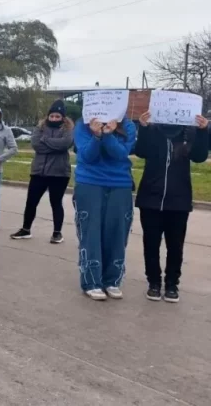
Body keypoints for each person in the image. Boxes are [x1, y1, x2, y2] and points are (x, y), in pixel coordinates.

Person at [134, 112, 209, 302]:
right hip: (150, 198)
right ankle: (153, 283)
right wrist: (143, 128)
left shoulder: (188, 133)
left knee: (175, 246)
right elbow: (141, 151)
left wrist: (202, 131)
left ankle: (172, 284)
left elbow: (199, 156)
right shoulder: (152, 130)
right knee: (151, 244)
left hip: (179, 200)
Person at [73, 113, 136, 300]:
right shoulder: (82, 124)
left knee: (117, 232)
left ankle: (112, 280)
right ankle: (91, 281)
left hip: (120, 183)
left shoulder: (128, 125)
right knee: (90, 232)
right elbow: (87, 155)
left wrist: (108, 135)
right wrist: (97, 136)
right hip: (90, 182)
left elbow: (120, 154)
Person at [11, 100, 74, 243]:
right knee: (31, 202)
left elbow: (65, 144)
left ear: (63, 118)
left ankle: (57, 233)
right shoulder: (40, 127)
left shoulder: (67, 129)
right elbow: (36, 145)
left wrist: (46, 140)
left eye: (57, 116)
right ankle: (26, 229)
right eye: (52, 116)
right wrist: (54, 145)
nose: (54, 119)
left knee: (56, 202)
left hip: (59, 173)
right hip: (39, 171)